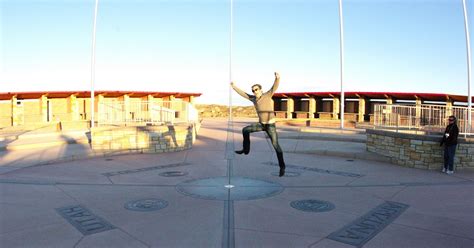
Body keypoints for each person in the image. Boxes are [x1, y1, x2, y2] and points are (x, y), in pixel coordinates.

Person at [231, 72, 286, 177]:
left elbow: (274, 87)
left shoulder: (267, 95)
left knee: (276, 146)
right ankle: (246, 150)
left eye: (256, 89)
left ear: (261, 90)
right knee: (245, 130)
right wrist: (234, 87)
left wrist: (277, 78)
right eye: (253, 90)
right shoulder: (253, 98)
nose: (254, 91)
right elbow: (243, 94)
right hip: (261, 124)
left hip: (270, 126)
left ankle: (282, 167)